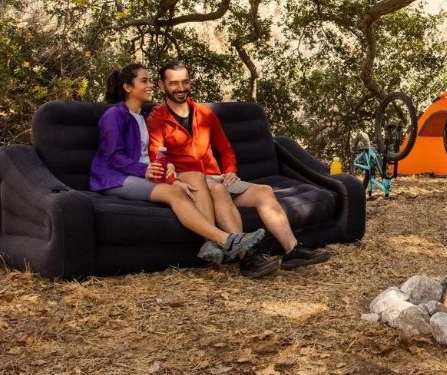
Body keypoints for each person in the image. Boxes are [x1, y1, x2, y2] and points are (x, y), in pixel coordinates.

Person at [90, 63, 279, 278]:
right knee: (175, 192)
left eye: (150, 80)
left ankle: (212, 244)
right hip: (115, 178)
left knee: (194, 177)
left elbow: (151, 153)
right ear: (127, 87)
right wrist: (147, 171)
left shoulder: (141, 116)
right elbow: (114, 157)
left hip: (141, 172)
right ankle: (224, 239)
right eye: (144, 81)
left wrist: (167, 168)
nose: (151, 85)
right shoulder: (114, 115)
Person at [147, 61, 331, 270]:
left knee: (264, 191)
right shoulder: (156, 118)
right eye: (173, 83)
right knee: (218, 190)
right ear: (162, 85)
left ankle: (292, 250)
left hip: (216, 177)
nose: (180, 88)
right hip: (190, 181)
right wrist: (172, 180)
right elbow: (157, 156)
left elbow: (225, 149)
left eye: (185, 82)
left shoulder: (204, 114)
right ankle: (247, 257)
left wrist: (230, 171)